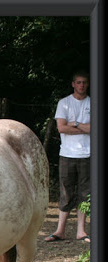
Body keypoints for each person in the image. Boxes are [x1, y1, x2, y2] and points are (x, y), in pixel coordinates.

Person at [45, 70, 90, 243]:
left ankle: (81, 231)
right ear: (73, 84)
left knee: (85, 193)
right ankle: (59, 231)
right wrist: (83, 127)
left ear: (87, 84)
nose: (81, 85)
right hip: (67, 154)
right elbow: (62, 128)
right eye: (78, 82)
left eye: (84, 82)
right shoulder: (64, 103)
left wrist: (76, 123)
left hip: (87, 154)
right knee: (65, 192)